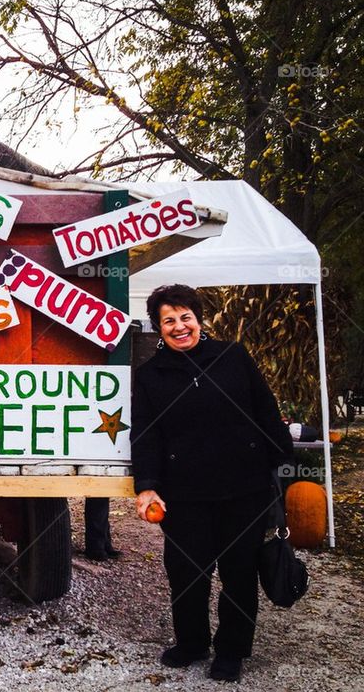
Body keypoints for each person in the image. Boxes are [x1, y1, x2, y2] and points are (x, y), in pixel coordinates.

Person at [131, 284, 293, 682]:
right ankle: (191, 642)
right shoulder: (151, 375)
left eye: (185, 317)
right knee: (187, 575)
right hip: (184, 495)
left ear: (199, 320)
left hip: (244, 489)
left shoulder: (232, 356)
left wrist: (284, 465)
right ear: (158, 327)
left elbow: (265, 408)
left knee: (239, 573)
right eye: (168, 320)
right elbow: (146, 434)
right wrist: (147, 484)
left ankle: (231, 651)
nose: (179, 326)